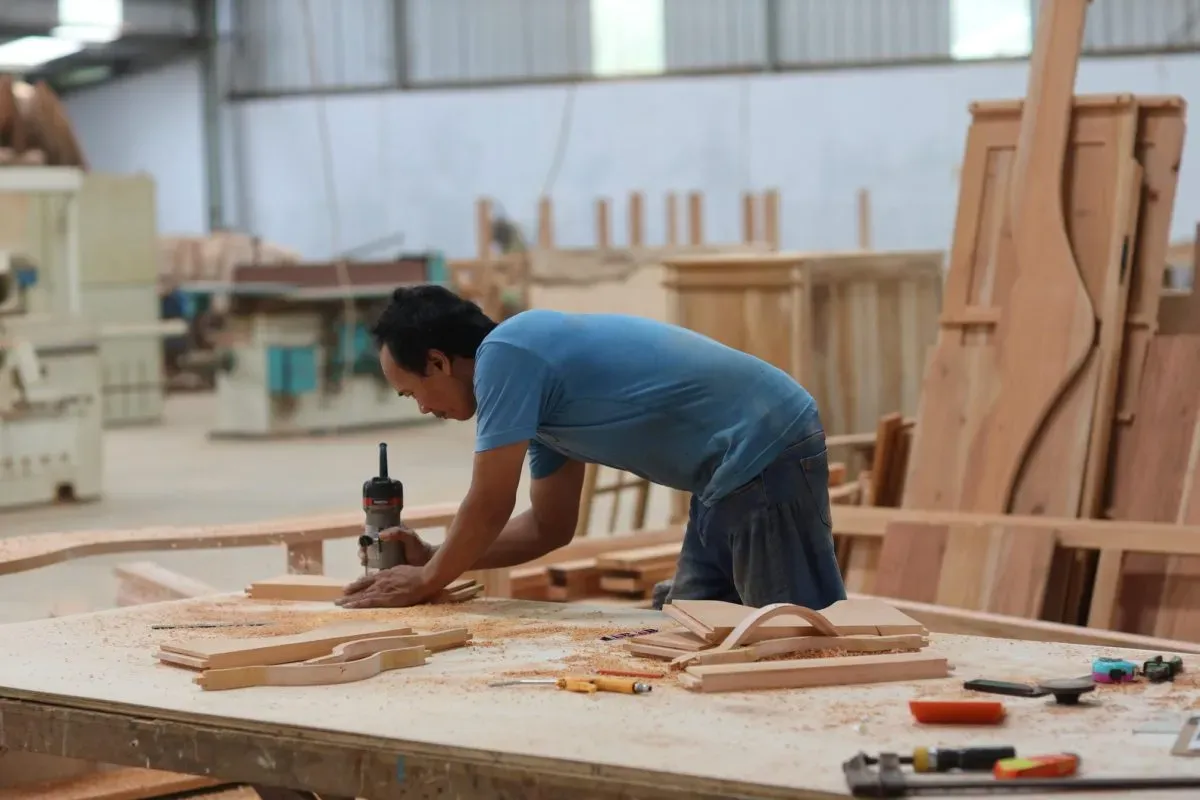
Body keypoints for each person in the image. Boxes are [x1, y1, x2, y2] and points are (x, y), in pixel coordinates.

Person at [336, 285, 846, 611]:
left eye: (412, 393)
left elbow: (490, 501)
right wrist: (436, 556)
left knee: (790, 643)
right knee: (690, 625)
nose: (423, 409)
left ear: (439, 362)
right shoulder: (538, 402)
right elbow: (549, 526)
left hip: (762, 447)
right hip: (723, 476)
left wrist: (428, 578)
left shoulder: (507, 354)